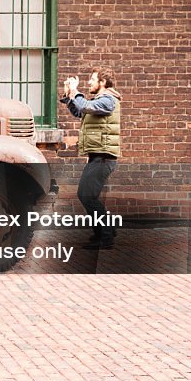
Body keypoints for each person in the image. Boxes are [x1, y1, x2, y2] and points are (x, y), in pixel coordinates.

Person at [61, 68, 122, 250]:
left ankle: (106, 236)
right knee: (88, 195)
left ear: (102, 82)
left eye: (93, 79)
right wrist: (69, 95)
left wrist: (75, 91)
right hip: (98, 156)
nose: (89, 83)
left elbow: (85, 106)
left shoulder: (108, 100)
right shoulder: (99, 101)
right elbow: (80, 112)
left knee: (87, 196)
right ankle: (105, 232)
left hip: (104, 157)